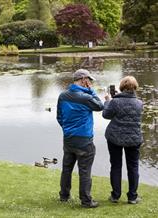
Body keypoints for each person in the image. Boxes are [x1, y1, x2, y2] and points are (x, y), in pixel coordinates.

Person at [56, 69, 104, 208]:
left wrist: (67, 129)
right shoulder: (86, 97)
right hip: (84, 139)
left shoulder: (63, 96)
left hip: (69, 138)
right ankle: (86, 201)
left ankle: (64, 196)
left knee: (67, 168)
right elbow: (100, 106)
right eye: (89, 80)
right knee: (85, 171)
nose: (90, 83)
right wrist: (91, 91)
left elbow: (59, 117)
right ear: (83, 79)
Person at [102, 76, 143, 204]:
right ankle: (132, 197)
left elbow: (105, 115)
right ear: (134, 87)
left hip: (115, 137)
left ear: (122, 87)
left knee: (116, 166)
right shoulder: (139, 103)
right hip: (134, 139)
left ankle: (115, 196)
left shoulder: (115, 102)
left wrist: (108, 101)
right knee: (133, 167)